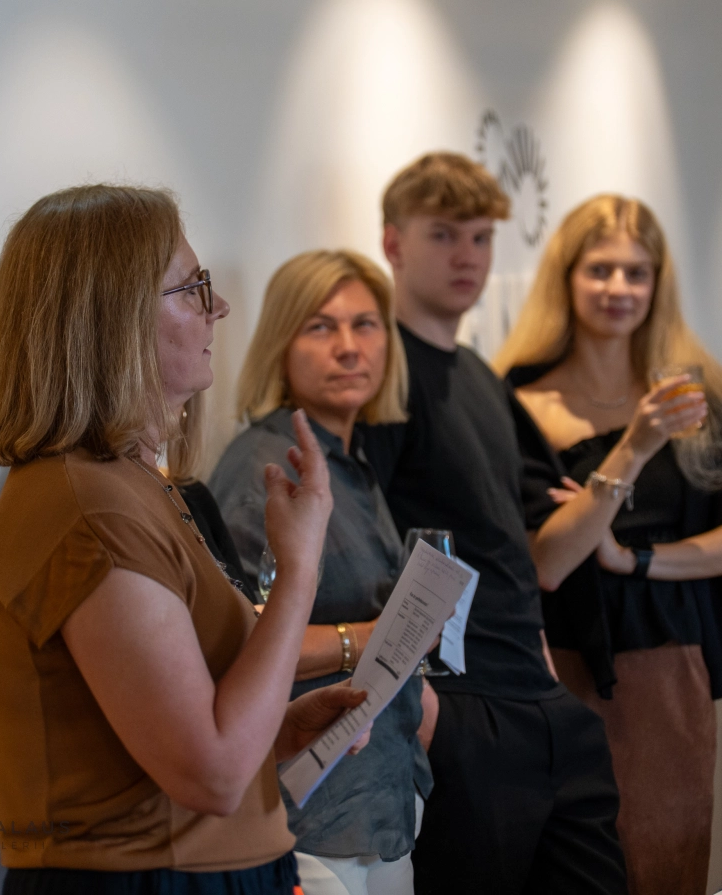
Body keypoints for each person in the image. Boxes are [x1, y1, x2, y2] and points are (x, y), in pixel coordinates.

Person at [0, 184, 371, 895]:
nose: (219, 307)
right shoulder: (85, 506)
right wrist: (299, 569)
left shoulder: (128, 485)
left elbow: (164, 748)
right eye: (192, 288)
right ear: (111, 320)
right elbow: (210, 776)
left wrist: (281, 729)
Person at [360, 153, 628, 895]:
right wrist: (422, 709)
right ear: (393, 243)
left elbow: (524, 545)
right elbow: (360, 548)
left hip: (541, 697)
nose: (468, 257)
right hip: (461, 706)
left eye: (481, 238)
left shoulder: (482, 377)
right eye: (444, 235)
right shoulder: (380, 375)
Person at [495, 194, 722, 895]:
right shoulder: (520, 402)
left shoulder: (697, 393)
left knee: (669, 863)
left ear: (658, 284)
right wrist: (636, 444)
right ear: (566, 279)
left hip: (675, 667)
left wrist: (636, 559)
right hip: (560, 666)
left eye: (636, 272)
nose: (618, 288)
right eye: (600, 270)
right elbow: (549, 560)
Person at [209, 250, 434, 895]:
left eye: (365, 325)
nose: (348, 347)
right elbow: (238, 640)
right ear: (281, 344)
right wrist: (369, 639)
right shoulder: (268, 469)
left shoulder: (348, 462)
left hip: (381, 802)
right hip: (310, 820)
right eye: (320, 327)